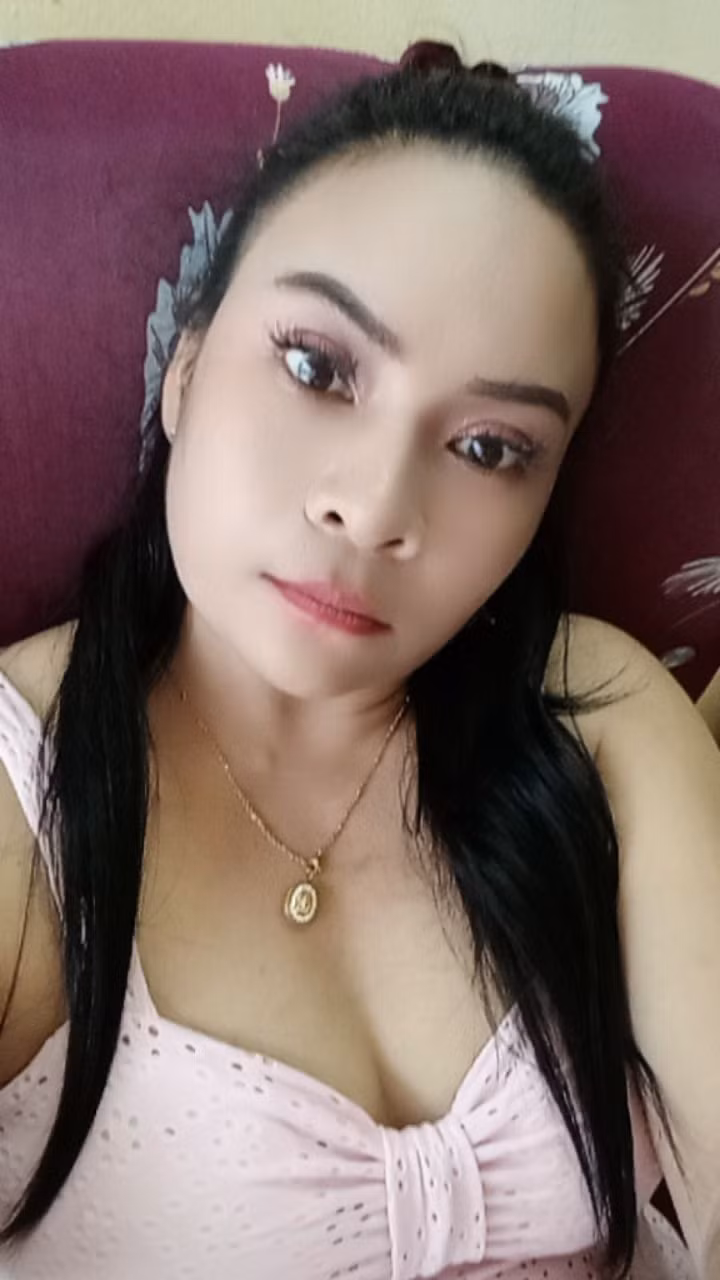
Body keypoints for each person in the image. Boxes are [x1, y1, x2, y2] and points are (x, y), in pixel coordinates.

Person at [0, 42, 718, 1280]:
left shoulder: (596, 717)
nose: (377, 507)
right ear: (185, 368)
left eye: (490, 447)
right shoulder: (25, 796)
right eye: (317, 366)